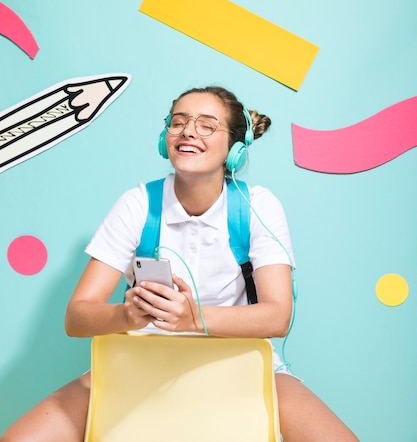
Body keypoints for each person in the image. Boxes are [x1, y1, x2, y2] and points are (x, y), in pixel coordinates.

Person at [0, 85, 359, 442]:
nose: (188, 131)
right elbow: (76, 317)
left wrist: (193, 318)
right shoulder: (137, 203)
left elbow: (278, 316)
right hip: (138, 360)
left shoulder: (258, 207)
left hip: (239, 361)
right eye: (179, 121)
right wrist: (126, 317)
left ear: (234, 149)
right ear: (165, 136)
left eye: (207, 125)